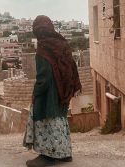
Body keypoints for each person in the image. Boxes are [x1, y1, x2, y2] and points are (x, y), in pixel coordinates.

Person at [23, 15, 82, 167]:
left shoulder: (43, 49)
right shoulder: (62, 43)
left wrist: (36, 93)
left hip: (49, 94)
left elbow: (45, 77)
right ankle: (64, 154)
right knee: (60, 121)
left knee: (46, 121)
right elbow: (72, 67)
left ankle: (48, 156)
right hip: (63, 91)